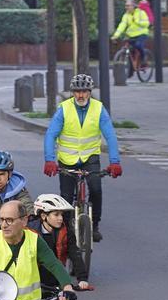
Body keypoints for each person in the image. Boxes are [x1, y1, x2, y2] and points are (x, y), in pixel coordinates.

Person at [43, 74, 121, 242]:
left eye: (84, 91)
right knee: (66, 196)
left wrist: (115, 162)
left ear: (89, 92)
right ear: (72, 92)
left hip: (90, 157)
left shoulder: (99, 109)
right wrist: (50, 160)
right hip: (67, 159)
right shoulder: (63, 109)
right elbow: (50, 135)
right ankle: (65, 230)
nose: (80, 95)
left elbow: (111, 136)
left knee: (96, 189)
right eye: (77, 91)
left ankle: (95, 225)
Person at [29, 194, 90, 290]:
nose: (61, 218)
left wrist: (82, 279)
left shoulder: (66, 232)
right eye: (56, 214)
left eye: (61, 214)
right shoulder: (29, 232)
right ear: (44, 216)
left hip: (55, 281)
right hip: (32, 282)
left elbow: (75, 254)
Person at [112, 0, 151, 74]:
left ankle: (143, 60)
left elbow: (147, 23)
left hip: (141, 34)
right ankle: (131, 70)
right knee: (129, 50)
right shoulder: (126, 15)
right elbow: (122, 25)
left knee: (138, 45)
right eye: (125, 6)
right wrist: (116, 35)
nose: (126, 7)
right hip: (131, 35)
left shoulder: (141, 13)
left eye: (128, 5)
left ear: (133, 6)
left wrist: (138, 22)